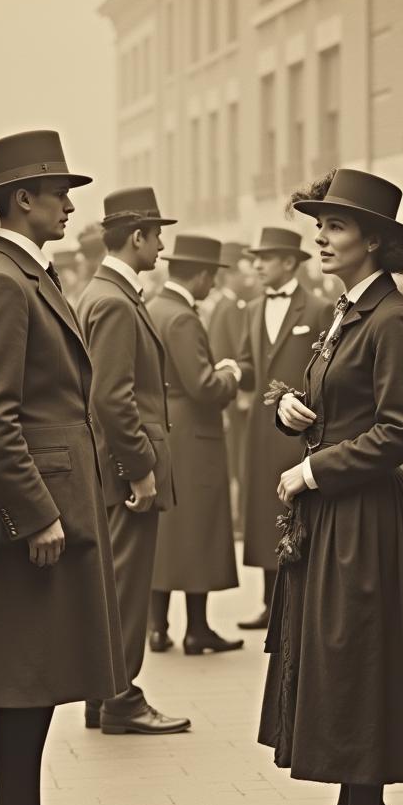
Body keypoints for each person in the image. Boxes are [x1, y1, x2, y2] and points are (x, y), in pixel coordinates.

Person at [261, 168, 403, 805]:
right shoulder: (347, 311)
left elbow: (400, 432)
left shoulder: (394, 320)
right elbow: (319, 396)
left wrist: (311, 472)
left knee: (358, 663)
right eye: (319, 225)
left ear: (372, 241)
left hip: (367, 520)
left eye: (335, 227)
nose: (320, 237)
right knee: (334, 664)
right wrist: (287, 410)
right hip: (333, 517)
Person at [0, 130, 126, 805]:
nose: (71, 205)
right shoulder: (2, 282)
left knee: (38, 669)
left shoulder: (25, 275)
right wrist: (38, 513)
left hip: (44, 501)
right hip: (31, 511)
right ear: (24, 199)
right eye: (60, 193)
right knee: (28, 673)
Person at [76, 186, 190, 735]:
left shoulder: (104, 294)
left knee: (114, 582)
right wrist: (139, 470)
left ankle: (105, 692)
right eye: (157, 234)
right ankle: (120, 697)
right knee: (124, 585)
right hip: (124, 473)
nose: (163, 245)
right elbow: (112, 396)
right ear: (137, 237)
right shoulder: (116, 301)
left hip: (109, 467)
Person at [147, 234, 242, 654]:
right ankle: (197, 629)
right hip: (192, 435)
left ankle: (157, 626)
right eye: (212, 275)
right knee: (198, 531)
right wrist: (230, 375)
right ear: (202, 275)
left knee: (168, 534)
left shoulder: (153, 307)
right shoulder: (183, 316)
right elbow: (203, 386)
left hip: (164, 428)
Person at [235, 226, 333, 630]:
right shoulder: (253, 308)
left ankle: (299, 598)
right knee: (262, 509)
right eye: (255, 258)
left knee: (298, 507)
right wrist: (229, 371)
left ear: (290, 262)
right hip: (261, 427)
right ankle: (268, 600)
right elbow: (247, 361)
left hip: (300, 426)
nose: (257, 265)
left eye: (266, 258)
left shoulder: (318, 308)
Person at [207, 241, 251, 539]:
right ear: (231, 272)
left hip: (226, 395)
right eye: (243, 267)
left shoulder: (224, 305)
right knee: (239, 460)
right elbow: (239, 352)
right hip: (236, 396)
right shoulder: (232, 307)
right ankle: (240, 518)